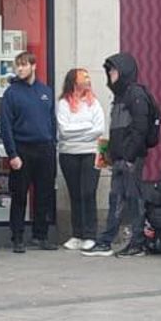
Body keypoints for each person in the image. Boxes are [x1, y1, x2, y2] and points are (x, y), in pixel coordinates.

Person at [83, 52, 156, 257]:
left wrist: (129, 155)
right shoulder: (122, 95)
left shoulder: (135, 95)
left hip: (129, 158)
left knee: (131, 200)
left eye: (114, 70)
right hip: (122, 157)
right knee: (117, 199)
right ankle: (107, 241)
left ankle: (135, 242)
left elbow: (140, 128)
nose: (111, 74)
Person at [0, 49, 57, 251]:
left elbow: (52, 120)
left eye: (24, 65)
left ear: (34, 66)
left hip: (45, 147)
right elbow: (5, 125)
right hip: (22, 148)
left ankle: (40, 236)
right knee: (19, 195)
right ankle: (17, 237)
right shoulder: (11, 93)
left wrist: (53, 142)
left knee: (44, 194)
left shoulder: (46, 91)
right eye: (18, 65)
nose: (20, 69)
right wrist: (12, 154)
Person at [56, 67, 105, 249]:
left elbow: (99, 129)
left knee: (88, 193)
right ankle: (77, 234)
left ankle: (90, 234)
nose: (88, 79)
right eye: (84, 77)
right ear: (74, 81)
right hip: (69, 153)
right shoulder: (63, 103)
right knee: (75, 194)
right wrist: (86, 127)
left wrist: (78, 129)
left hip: (92, 152)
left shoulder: (95, 103)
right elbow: (64, 130)